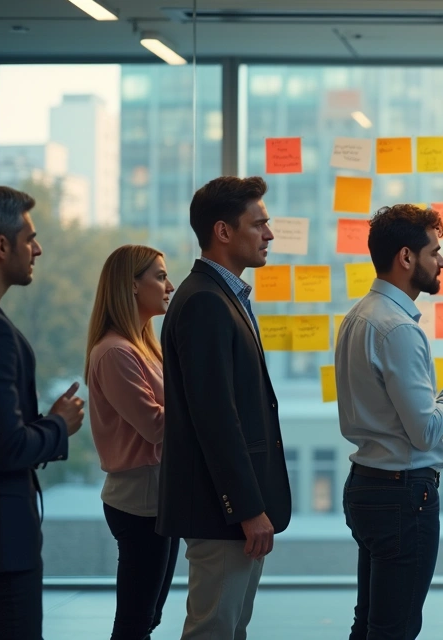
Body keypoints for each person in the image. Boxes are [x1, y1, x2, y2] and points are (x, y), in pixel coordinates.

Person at [335, 204, 443, 640]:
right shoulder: (398, 328)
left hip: (368, 485)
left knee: (370, 624)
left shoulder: (357, 317)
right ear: (406, 257)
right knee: (394, 630)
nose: (442, 261)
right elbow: (425, 430)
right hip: (401, 495)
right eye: (435, 252)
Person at [158, 176, 291, 640]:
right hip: (222, 511)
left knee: (230, 628)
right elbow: (215, 418)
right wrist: (247, 508)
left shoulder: (219, 296)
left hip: (229, 509)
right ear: (223, 232)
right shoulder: (205, 302)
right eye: (259, 224)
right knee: (213, 629)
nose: (269, 235)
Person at [0, 185, 84, 639]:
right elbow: (4, 447)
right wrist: (60, 425)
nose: (37, 249)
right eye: (30, 238)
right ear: (2, 246)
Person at [85, 244, 179, 640]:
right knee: (135, 621)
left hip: (158, 497)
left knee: (148, 616)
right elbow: (157, 427)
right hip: (139, 500)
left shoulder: (144, 348)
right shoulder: (115, 353)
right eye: (159, 276)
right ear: (131, 286)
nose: (169, 286)